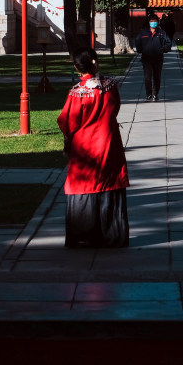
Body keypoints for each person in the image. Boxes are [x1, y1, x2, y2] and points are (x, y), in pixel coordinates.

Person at [57, 47, 130, 248]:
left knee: (84, 185)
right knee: (109, 183)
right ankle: (111, 234)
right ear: (96, 62)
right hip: (107, 142)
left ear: (76, 67)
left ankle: (84, 236)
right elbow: (115, 107)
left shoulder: (76, 93)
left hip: (84, 148)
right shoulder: (110, 86)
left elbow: (67, 121)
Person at [134, 12, 172, 100]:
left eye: (155, 21)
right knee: (147, 77)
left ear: (157, 22)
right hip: (146, 58)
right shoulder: (143, 32)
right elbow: (137, 41)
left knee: (157, 77)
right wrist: (140, 50)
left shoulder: (161, 33)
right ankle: (149, 94)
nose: (153, 23)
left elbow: (168, 42)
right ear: (148, 22)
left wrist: (164, 49)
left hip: (158, 58)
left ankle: (155, 93)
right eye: (151, 21)